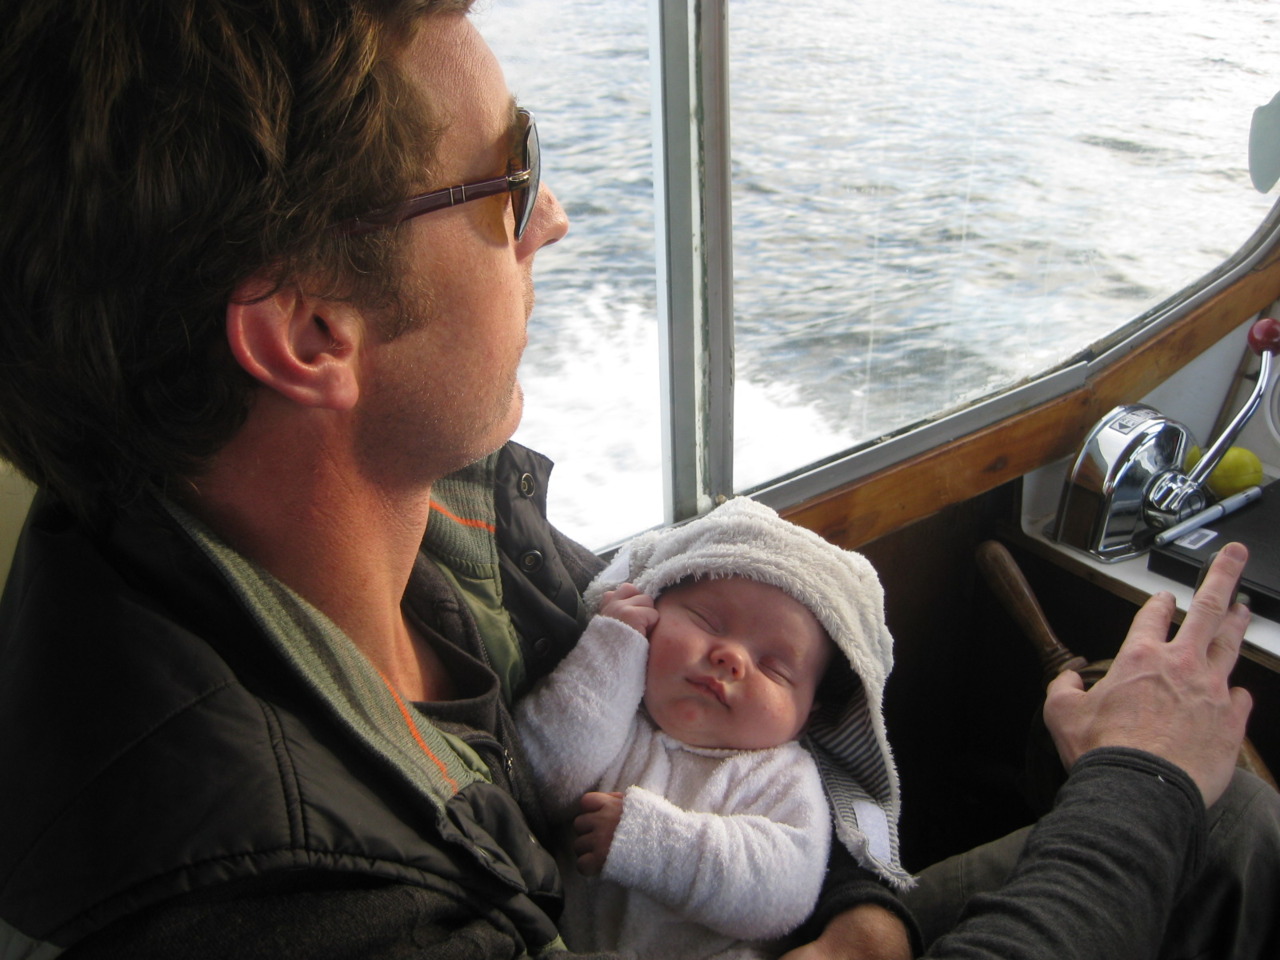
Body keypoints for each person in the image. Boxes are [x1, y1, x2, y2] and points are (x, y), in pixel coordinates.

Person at [0, 1, 1275, 958]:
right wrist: (1137, 777)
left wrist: (859, 907)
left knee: (1226, 833)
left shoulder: (427, 516)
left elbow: (747, 742)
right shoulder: (290, 903)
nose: (551, 219)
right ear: (309, 334)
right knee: (1184, 818)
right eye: (509, 178)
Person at [515, 497, 911, 958]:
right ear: (652, 605)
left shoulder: (783, 776)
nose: (731, 657)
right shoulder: (612, 710)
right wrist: (609, 649)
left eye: (775, 668)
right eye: (707, 620)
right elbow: (535, 781)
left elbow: (783, 894)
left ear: (807, 717)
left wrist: (652, 843)